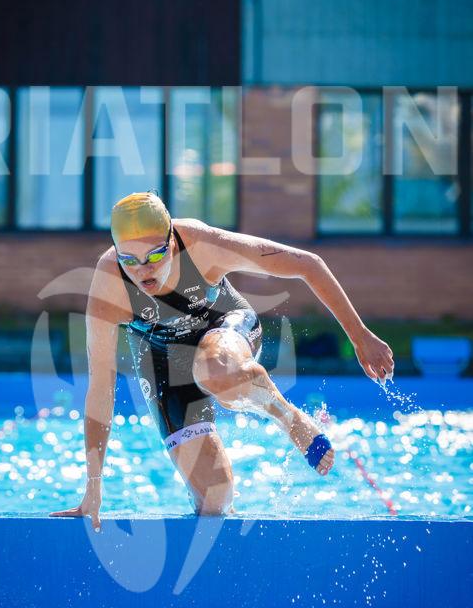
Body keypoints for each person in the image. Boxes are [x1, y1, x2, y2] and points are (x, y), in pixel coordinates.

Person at [50, 191, 394, 529]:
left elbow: (308, 265)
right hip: (162, 360)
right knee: (215, 500)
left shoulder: (202, 246)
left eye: (155, 255)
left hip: (224, 330)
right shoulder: (109, 285)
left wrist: (360, 336)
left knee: (215, 370)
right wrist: (93, 487)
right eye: (130, 260)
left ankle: (288, 418)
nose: (143, 270)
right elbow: (100, 389)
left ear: (172, 242)